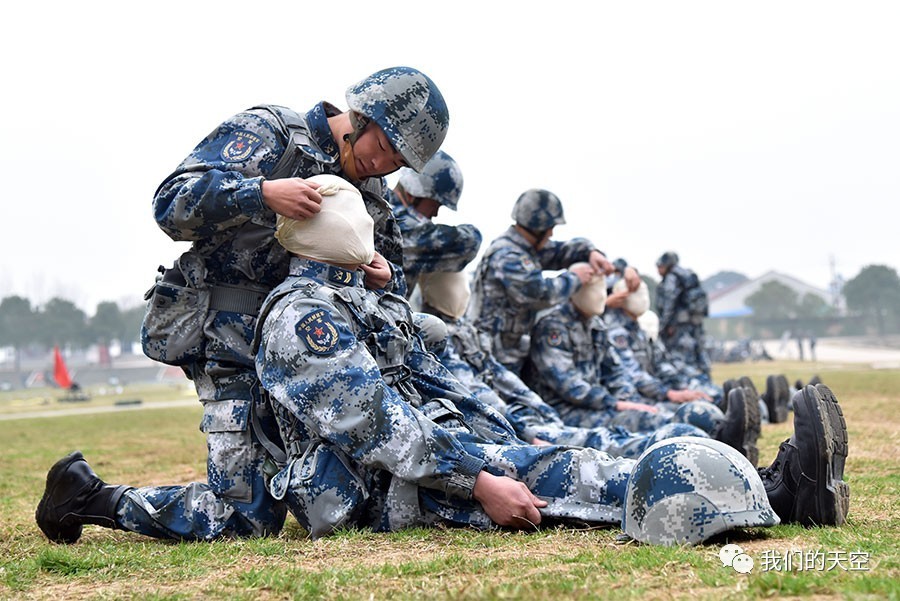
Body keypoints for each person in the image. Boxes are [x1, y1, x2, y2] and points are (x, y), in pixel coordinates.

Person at [252, 186, 848, 542]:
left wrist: (382, 290)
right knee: (562, 471)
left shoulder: (346, 297)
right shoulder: (303, 316)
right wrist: (480, 478)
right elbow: (379, 423)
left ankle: (760, 486)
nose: (370, 229)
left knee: (565, 456)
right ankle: (779, 496)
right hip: (366, 489)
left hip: (407, 463)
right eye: (356, 219)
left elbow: (422, 381)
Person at [35, 66, 450, 544]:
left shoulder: (371, 194)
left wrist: (381, 275)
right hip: (231, 339)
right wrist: (261, 193)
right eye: (384, 146)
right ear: (362, 116)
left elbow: (388, 278)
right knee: (244, 518)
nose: (384, 164)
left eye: (399, 161)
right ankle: (87, 497)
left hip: (313, 351)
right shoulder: (271, 134)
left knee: (349, 487)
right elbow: (171, 204)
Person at [418, 270, 718, 459]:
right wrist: (520, 425)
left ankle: (703, 437)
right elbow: (476, 392)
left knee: (621, 428)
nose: (603, 295)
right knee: (591, 442)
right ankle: (686, 444)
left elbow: (502, 377)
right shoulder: (432, 336)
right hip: (555, 411)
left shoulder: (469, 332)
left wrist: (625, 401)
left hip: (541, 414)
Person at [523, 267, 761, 465]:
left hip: (599, 406)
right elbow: (569, 386)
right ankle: (718, 443)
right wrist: (618, 404)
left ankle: (722, 441)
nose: (598, 295)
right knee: (643, 427)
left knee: (650, 415)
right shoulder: (553, 326)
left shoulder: (595, 325)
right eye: (592, 288)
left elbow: (616, 374)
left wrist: (632, 401)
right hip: (566, 411)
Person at [468, 189, 639, 375]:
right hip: (491, 353)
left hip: (508, 350)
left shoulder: (526, 249)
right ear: (538, 227)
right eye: (550, 227)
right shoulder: (508, 255)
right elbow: (538, 293)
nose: (551, 233)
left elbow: (561, 251)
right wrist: (575, 278)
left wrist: (590, 252)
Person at [388, 150, 482, 296]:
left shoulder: (379, 202)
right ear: (415, 193)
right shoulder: (400, 223)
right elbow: (469, 243)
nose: (435, 214)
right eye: (435, 205)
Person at [654, 251, 711, 376]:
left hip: (679, 325)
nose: (658, 270)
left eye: (660, 267)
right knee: (700, 351)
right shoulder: (686, 275)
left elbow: (669, 303)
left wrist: (663, 325)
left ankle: (692, 383)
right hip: (695, 321)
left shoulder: (671, 278)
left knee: (682, 357)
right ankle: (706, 379)